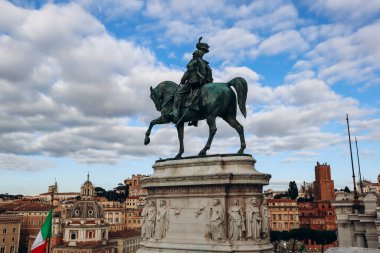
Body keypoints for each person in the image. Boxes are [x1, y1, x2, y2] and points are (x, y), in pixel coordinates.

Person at [172, 37, 213, 125]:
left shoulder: (193, 61)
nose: (193, 56)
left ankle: (175, 114)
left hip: (194, 82)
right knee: (196, 97)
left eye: (193, 54)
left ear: (196, 54)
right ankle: (195, 119)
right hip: (205, 83)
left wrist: (182, 80)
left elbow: (188, 73)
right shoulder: (206, 64)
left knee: (178, 94)